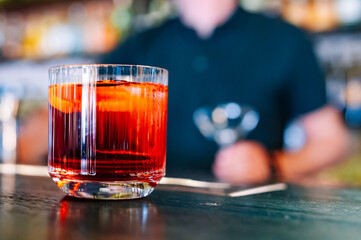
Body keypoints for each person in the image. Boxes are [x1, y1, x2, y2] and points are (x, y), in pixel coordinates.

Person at [103, 0, 349, 185]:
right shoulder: (135, 48)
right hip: (155, 208)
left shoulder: (285, 40)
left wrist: (273, 165)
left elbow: (333, 141)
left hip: (253, 212)